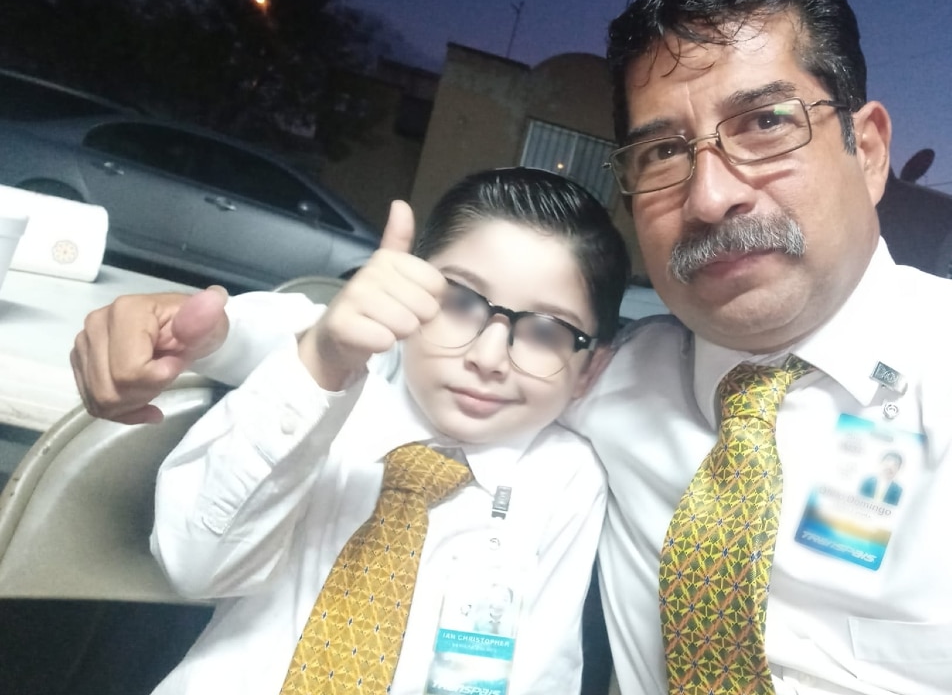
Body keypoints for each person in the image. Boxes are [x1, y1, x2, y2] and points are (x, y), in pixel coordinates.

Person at [73, 0, 952, 695]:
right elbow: (387, 352)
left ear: (865, 147)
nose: (712, 194)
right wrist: (201, 330)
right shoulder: (600, 377)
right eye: (665, 151)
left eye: (763, 124)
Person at [142, 167, 628, 695]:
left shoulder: (566, 479)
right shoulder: (321, 397)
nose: (488, 357)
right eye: (461, 302)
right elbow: (195, 569)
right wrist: (322, 363)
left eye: (545, 330)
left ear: (590, 370)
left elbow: (541, 676)